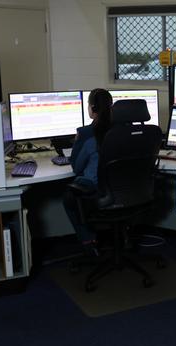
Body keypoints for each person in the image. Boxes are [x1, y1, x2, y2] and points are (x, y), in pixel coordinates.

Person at [63, 88, 113, 256]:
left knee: (69, 198)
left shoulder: (85, 133)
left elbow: (76, 168)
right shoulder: (123, 131)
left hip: (95, 189)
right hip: (123, 191)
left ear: (92, 108)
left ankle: (88, 240)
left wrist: (77, 142)